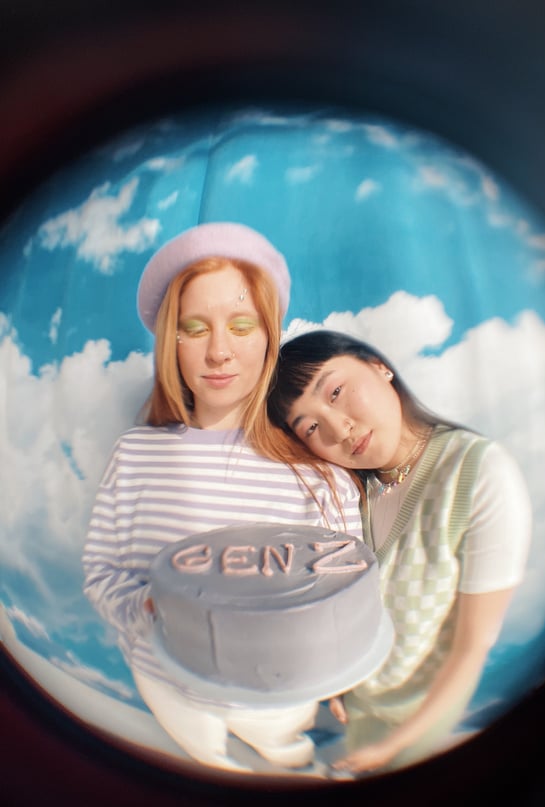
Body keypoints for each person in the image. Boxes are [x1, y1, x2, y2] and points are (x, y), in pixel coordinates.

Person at [82, 224, 363, 773]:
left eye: (240, 325)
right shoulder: (136, 454)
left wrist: (341, 671)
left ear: (268, 336)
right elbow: (102, 572)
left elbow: (343, 592)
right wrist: (148, 609)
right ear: (172, 342)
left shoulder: (319, 476)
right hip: (170, 697)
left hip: (282, 700)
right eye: (194, 328)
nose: (218, 351)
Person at [266, 329, 532, 776]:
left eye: (335, 391)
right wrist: (336, 678)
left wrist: (397, 746)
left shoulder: (478, 472)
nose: (338, 428)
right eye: (310, 426)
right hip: (360, 724)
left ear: (378, 365)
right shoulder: (348, 496)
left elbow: (474, 648)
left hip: (429, 733)